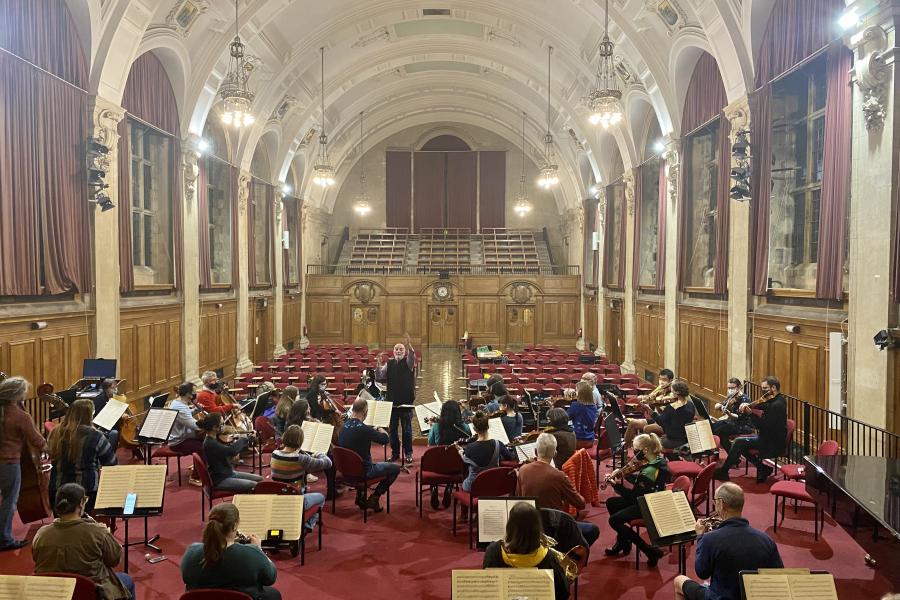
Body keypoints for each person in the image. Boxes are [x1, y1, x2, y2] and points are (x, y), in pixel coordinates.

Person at [674, 482, 783, 600]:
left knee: (679, 581)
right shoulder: (766, 540)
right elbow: (779, 576)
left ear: (722, 504)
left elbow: (702, 573)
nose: (715, 505)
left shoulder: (710, 539)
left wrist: (700, 536)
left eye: (715, 502)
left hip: (720, 597)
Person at [32, 483, 135, 600]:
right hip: (91, 593)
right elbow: (114, 560)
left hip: (55, 592)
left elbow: (36, 558)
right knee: (127, 580)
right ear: (81, 503)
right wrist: (106, 534)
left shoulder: (41, 534)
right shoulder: (97, 532)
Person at [181, 502, 280, 600]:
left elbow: (186, 578)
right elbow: (270, 578)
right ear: (234, 526)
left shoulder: (191, 552)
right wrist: (259, 549)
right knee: (273, 594)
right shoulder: (252, 554)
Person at [516, 433, 599, 547]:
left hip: (529, 525)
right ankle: (565, 552)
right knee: (593, 530)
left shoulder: (522, 470)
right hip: (553, 526)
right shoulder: (559, 476)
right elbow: (580, 504)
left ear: (535, 451)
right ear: (555, 453)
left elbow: (518, 498)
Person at [604, 432, 669, 567]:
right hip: (650, 497)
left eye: (636, 449)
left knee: (614, 520)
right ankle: (623, 542)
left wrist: (616, 486)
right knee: (612, 503)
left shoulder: (650, 471)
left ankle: (649, 550)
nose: (634, 453)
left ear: (645, 450)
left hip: (648, 504)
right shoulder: (657, 460)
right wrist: (622, 474)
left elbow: (634, 497)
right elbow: (639, 481)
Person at [482, 502, 570, 600]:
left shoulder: (493, 552)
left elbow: (487, 588)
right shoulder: (549, 559)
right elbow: (563, 593)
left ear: (509, 525)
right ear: (537, 527)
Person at [0, 376, 46, 551]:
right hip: (9, 464)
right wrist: (50, 448)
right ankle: (4, 539)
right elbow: (36, 440)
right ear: (18, 395)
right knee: (9, 501)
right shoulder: (20, 416)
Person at [48, 399, 118, 514]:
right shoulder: (96, 436)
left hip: (57, 490)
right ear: (89, 416)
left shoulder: (55, 433)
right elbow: (111, 462)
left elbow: (50, 455)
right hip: (85, 492)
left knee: (62, 522)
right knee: (82, 523)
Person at [714, 376, 787, 484]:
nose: (763, 391)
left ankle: (724, 471)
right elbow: (763, 405)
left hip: (772, 442)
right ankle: (762, 467)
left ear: (774, 388)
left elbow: (761, 425)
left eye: (765, 388)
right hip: (767, 437)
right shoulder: (777, 399)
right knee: (740, 444)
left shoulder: (777, 405)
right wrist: (749, 405)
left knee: (739, 442)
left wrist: (750, 413)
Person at [337, 397, 400, 512]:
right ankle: (374, 498)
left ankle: (360, 496)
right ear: (365, 412)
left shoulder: (342, 427)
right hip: (364, 472)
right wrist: (379, 427)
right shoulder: (365, 429)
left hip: (346, 472)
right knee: (395, 468)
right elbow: (385, 439)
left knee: (359, 456)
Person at [268, 425, 328, 531]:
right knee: (321, 498)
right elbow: (328, 463)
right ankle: (307, 526)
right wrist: (320, 454)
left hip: (278, 499)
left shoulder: (274, 454)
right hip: (295, 501)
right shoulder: (301, 459)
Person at [375, 332, 416, 465]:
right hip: (391, 403)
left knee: (407, 430)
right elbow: (380, 377)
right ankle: (395, 453)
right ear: (393, 352)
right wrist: (378, 364)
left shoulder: (408, 362)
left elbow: (412, 357)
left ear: (404, 352)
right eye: (396, 349)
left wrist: (409, 345)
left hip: (406, 402)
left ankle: (408, 453)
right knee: (392, 430)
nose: (398, 351)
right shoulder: (390, 363)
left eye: (401, 349)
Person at [198, 413, 262, 493]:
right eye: (222, 424)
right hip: (220, 479)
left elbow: (227, 451)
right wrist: (245, 438)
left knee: (260, 479)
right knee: (255, 485)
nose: (224, 426)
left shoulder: (214, 438)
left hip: (227, 473)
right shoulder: (210, 443)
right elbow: (231, 451)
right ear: (214, 427)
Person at [426, 401, 472, 509]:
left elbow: (430, 444)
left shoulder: (436, 426)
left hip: (437, 466)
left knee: (437, 456)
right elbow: (468, 445)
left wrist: (431, 428)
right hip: (457, 466)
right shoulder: (465, 427)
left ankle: (434, 487)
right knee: (454, 458)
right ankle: (449, 487)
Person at [458, 411, 515, 492]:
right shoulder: (498, 444)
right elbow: (510, 458)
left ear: (474, 429)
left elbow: (465, 466)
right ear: (488, 427)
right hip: (493, 484)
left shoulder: (469, 447)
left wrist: (461, 454)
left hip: (474, 486)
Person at [624, 368, 675, 448]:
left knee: (647, 429)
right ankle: (624, 449)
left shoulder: (673, 393)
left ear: (670, 380)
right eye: (660, 379)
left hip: (664, 423)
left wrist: (652, 405)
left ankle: (647, 452)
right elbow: (650, 397)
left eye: (664, 380)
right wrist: (642, 399)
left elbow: (662, 411)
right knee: (633, 423)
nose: (661, 382)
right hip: (655, 418)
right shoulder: (660, 387)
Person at [650, 381, 696, 449]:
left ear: (677, 392)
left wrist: (651, 412)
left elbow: (660, 422)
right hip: (686, 438)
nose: (671, 393)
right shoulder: (690, 404)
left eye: (672, 391)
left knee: (651, 443)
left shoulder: (671, 408)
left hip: (673, 440)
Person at [711, 378, 753, 451]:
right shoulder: (732, 396)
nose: (730, 390)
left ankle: (731, 452)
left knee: (720, 431)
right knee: (712, 427)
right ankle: (730, 452)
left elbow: (738, 417)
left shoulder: (745, 399)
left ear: (739, 387)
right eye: (729, 388)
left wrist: (729, 414)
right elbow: (717, 405)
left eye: (732, 388)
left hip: (743, 425)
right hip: (732, 422)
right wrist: (721, 407)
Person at [567, 382, 598, 449]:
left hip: (578, 441)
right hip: (590, 440)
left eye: (576, 390)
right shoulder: (594, 406)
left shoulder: (575, 405)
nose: (575, 392)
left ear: (580, 393)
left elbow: (564, 418)